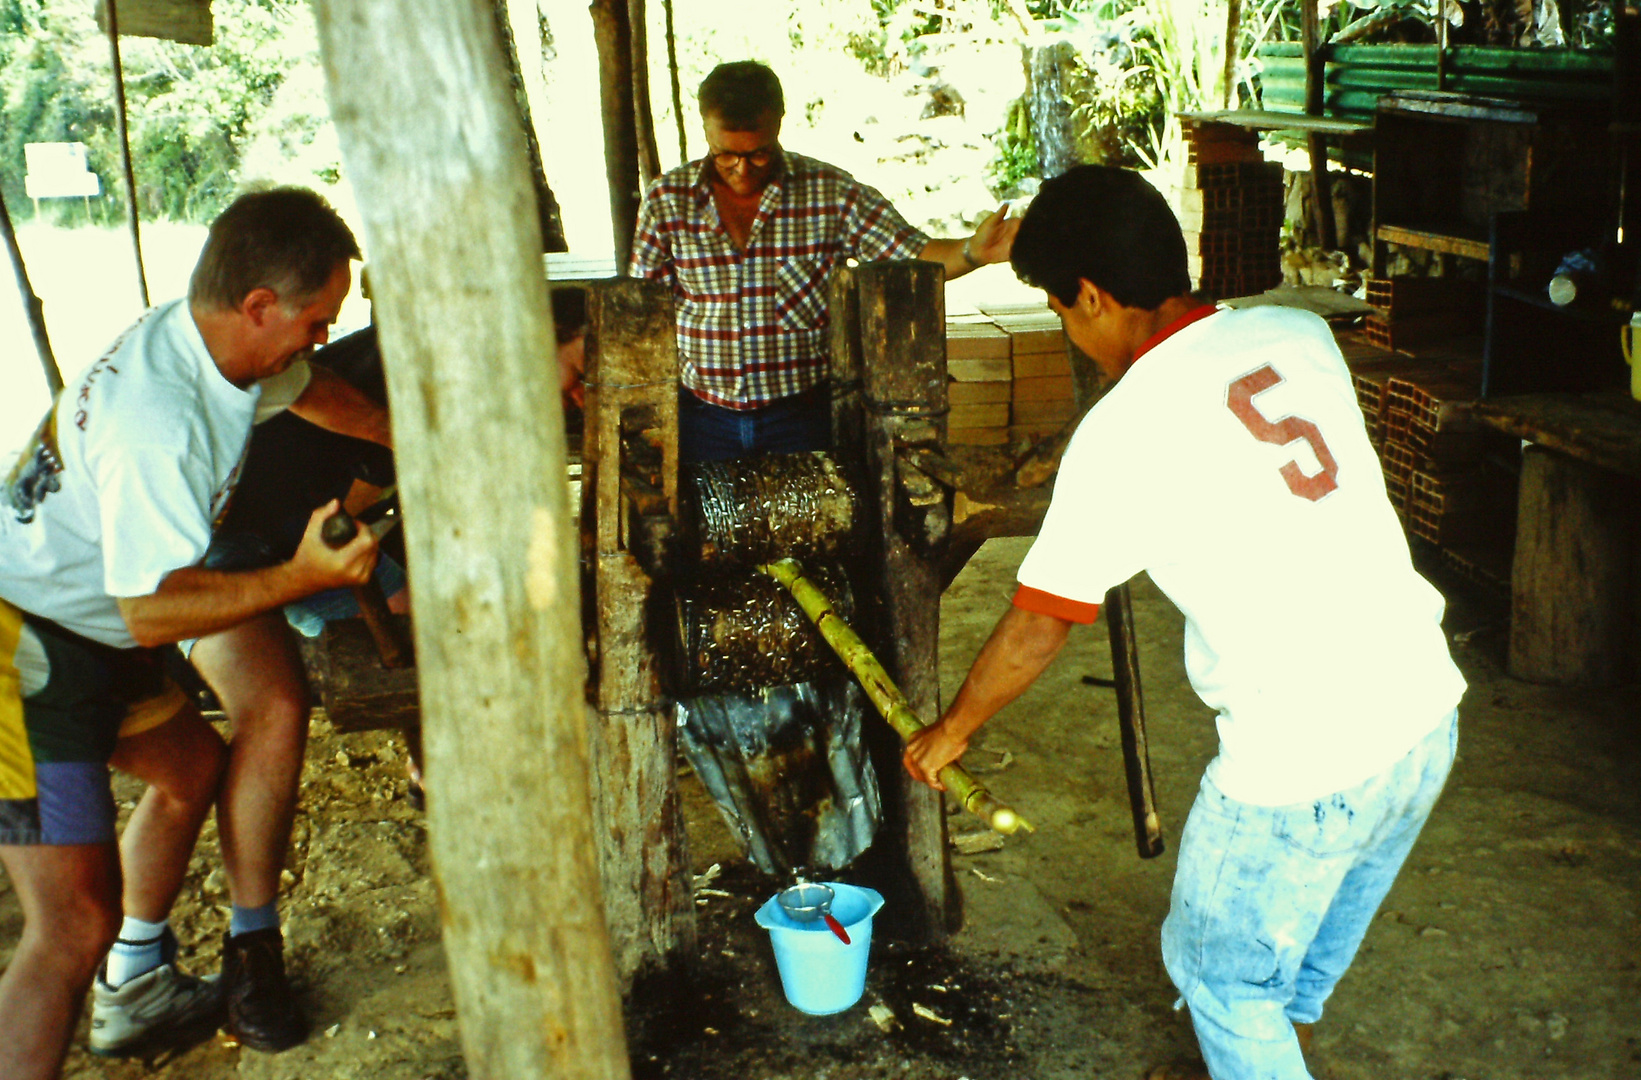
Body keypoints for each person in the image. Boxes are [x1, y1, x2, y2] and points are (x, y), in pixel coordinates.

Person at [902, 165, 1466, 1080]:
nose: (1068, 332)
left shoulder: (1126, 427)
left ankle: (1250, 1055)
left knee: (1219, 982)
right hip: (1421, 716)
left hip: (1302, 766)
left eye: (1059, 310)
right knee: (1296, 961)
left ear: (1090, 295)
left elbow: (1041, 622)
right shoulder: (1298, 330)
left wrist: (950, 733)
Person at [0, 186, 377, 1077]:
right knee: (69, 926)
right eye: (316, 319)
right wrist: (300, 578)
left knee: (190, 767)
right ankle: (106, 980)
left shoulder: (212, 343)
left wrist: (409, 438)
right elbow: (153, 612)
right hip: (21, 645)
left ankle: (136, 990)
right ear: (257, 306)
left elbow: (310, 384)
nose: (321, 338)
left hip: (83, 625)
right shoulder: (156, 426)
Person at [629, 59, 1019, 462]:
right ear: (705, 128)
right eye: (725, 155)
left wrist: (974, 251)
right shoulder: (667, 200)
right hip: (702, 419)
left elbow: (912, 255)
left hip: (801, 418)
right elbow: (641, 310)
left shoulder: (831, 193)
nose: (742, 170)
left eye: (759, 154)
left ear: (779, 123)